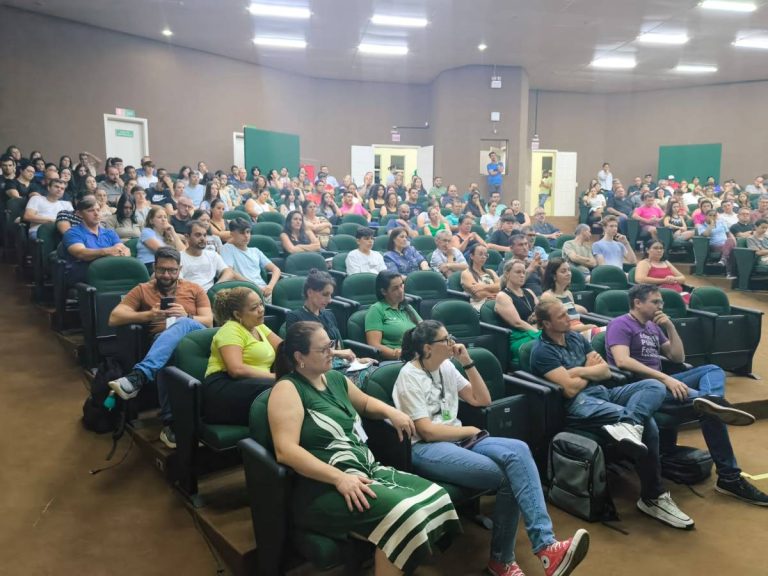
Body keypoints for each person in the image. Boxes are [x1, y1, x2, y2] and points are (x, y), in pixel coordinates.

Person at [394, 320, 590, 576]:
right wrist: (468, 430)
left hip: (461, 439)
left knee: (519, 449)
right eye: (446, 339)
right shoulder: (409, 376)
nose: (452, 343)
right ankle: (505, 560)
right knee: (509, 476)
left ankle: (545, 546)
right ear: (428, 348)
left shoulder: (446, 367)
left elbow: (482, 399)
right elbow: (427, 431)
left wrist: (467, 363)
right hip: (428, 448)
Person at [267, 321, 460, 575]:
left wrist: (393, 412)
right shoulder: (287, 389)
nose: (332, 352)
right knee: (405, 516)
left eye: (331, 345)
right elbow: (286, 450)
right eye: (323, 349)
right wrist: (339, 478)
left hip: (366, 470)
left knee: (438, 497)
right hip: (325, 486)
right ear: (299, 357)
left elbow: (366, 404)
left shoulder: (334, 378)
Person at [530, 298, 695, 529]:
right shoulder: (542, 351)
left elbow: (605, 372)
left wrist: (577, 371)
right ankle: (653, 497)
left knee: (654, 385)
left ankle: (630, 422)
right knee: (649, 425)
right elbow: (569, 390)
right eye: (561, 316)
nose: (569, 318)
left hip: (604, 393)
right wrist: (589, 369)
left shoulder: (576, 338)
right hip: (580, 405)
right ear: (547, 324)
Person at [606, 284, 768, 507]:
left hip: (664, 382)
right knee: (710, 411)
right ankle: (729, 478)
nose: (660, 306)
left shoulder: (653, 327)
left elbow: (677, 357)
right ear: (637, 303)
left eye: (661, 302)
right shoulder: (620, 324)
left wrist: (670, 327)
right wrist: (665, 379)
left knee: (712, 370)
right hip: (643, 390)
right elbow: (622, 360)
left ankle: (711, 399)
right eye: (655, 302)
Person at [107, 247, 212, 447]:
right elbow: (114, 317)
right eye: (162, 269)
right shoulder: (142, 289)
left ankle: (139, 376)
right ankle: (171, 424)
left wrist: (187, 316)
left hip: (196, 340)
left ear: (180, 269)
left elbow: (208, 321)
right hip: (162, 341)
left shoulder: (194, 288)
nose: (167, 275)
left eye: (172, 270)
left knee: (183, 323)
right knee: (167, 351)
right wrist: (148, 315)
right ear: (154, 267)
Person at [203, 287, 280, 425]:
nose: (261, 310)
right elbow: (236, 370)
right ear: (238, 314)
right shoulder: (230, 330)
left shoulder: (258, 326)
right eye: (254, 308)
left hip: (254, 383)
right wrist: (278, 376)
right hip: (224, 387)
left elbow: (284, 348)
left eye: (261, 304)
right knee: (282, 387)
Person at [285, 270, 376, 381]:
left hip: (340, 365)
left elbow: (339, 348)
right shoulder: (295, 317)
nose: (329, 300)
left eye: (330, 295)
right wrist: (338, 353)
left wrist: (357, 360)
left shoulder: (329, 315)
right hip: (317, 370)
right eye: (325, 294)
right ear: (310, 292)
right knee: (370, 378)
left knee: (375, 371)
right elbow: (301, 352)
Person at [61, 196, 130, 285]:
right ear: (79, 214)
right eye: (91, 210)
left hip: (111, 272)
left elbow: (123, 249)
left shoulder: (109, 232)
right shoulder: (73, 233)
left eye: (98, 210)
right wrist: (106, 252)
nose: (96, 213)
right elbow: (81, 253)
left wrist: (124, 253)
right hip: (86, 275)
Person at [494, 260, 541, 369]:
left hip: (536, 330)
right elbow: (517, 323)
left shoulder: (529, 291)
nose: (522, 275)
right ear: (507, 274)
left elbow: (542, 313)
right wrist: (538, 333)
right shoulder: (503, 296)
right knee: (549, 341)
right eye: (518, 272)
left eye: (524, 272)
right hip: (518, 337)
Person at [365, 271, 422, 361]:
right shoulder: (376, 309)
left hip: (417, 355)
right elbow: (374, 345)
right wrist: (398, 354)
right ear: (384, 291)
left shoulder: (407, 307)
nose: (401, 291)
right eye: (395, 288)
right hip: (395, 360)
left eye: (401, 285)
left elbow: (424, 330)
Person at [220, 217, 281, 301]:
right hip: (245, 291)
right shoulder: (227, 249)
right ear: (232, 234)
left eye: (248, 232)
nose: (246, 236)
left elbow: (276, 269)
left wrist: (270, 286)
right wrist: (254, 286)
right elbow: (230, 273)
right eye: (241, 233)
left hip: (264, 290)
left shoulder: (255, 251)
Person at [541, 258, 600, 339]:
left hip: (580, 331)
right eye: (563, 271)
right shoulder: (548, 296)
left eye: (569, 270)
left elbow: (575, 318)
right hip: (568, 336)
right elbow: (556, 327)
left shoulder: (568, 293)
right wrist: (586, 327)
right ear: (554, 276)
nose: (568, 273)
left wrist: (585, 327)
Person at [179, 220, 240, 291]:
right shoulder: (178, 257)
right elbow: (179, 282)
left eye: (204, 235)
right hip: (190, 294)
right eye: (198, 235)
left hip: (212, 294)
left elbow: (228, 272)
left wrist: (216, 288)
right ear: (187, 237)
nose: (202, 238)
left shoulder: (212, 255)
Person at [138, 206, 187, 273]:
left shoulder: (168, 236)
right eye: (159, 217)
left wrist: (173, 233)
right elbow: (162, 252)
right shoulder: (146, 232)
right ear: (151, 221)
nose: (163, 219)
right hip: (148, 265)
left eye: (165, 217)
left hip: (167, 265)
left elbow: (183, 253)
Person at [696, 209, 736, 276]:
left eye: (714, 215)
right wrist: (711, 225)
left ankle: (724, 261)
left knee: (730, 241)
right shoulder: (701, 226)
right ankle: (729, 272)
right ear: (706, 216)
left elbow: (728, 233)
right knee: (730, 250)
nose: (712, 217)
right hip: (714, 245)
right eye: (710, 215)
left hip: (726, 244)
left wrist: (734, 242)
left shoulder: (721, 222)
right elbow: (706, 234)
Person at [461, 244, 500, 311]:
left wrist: (483, 287)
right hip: (480, 305)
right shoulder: (466, 273)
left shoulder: (491, 272)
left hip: (496, 302)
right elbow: (478, 294)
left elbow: (500, 287)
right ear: (472, 256)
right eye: (480, 254)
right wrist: (495, 293)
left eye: (485, 255)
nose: (484, 257)